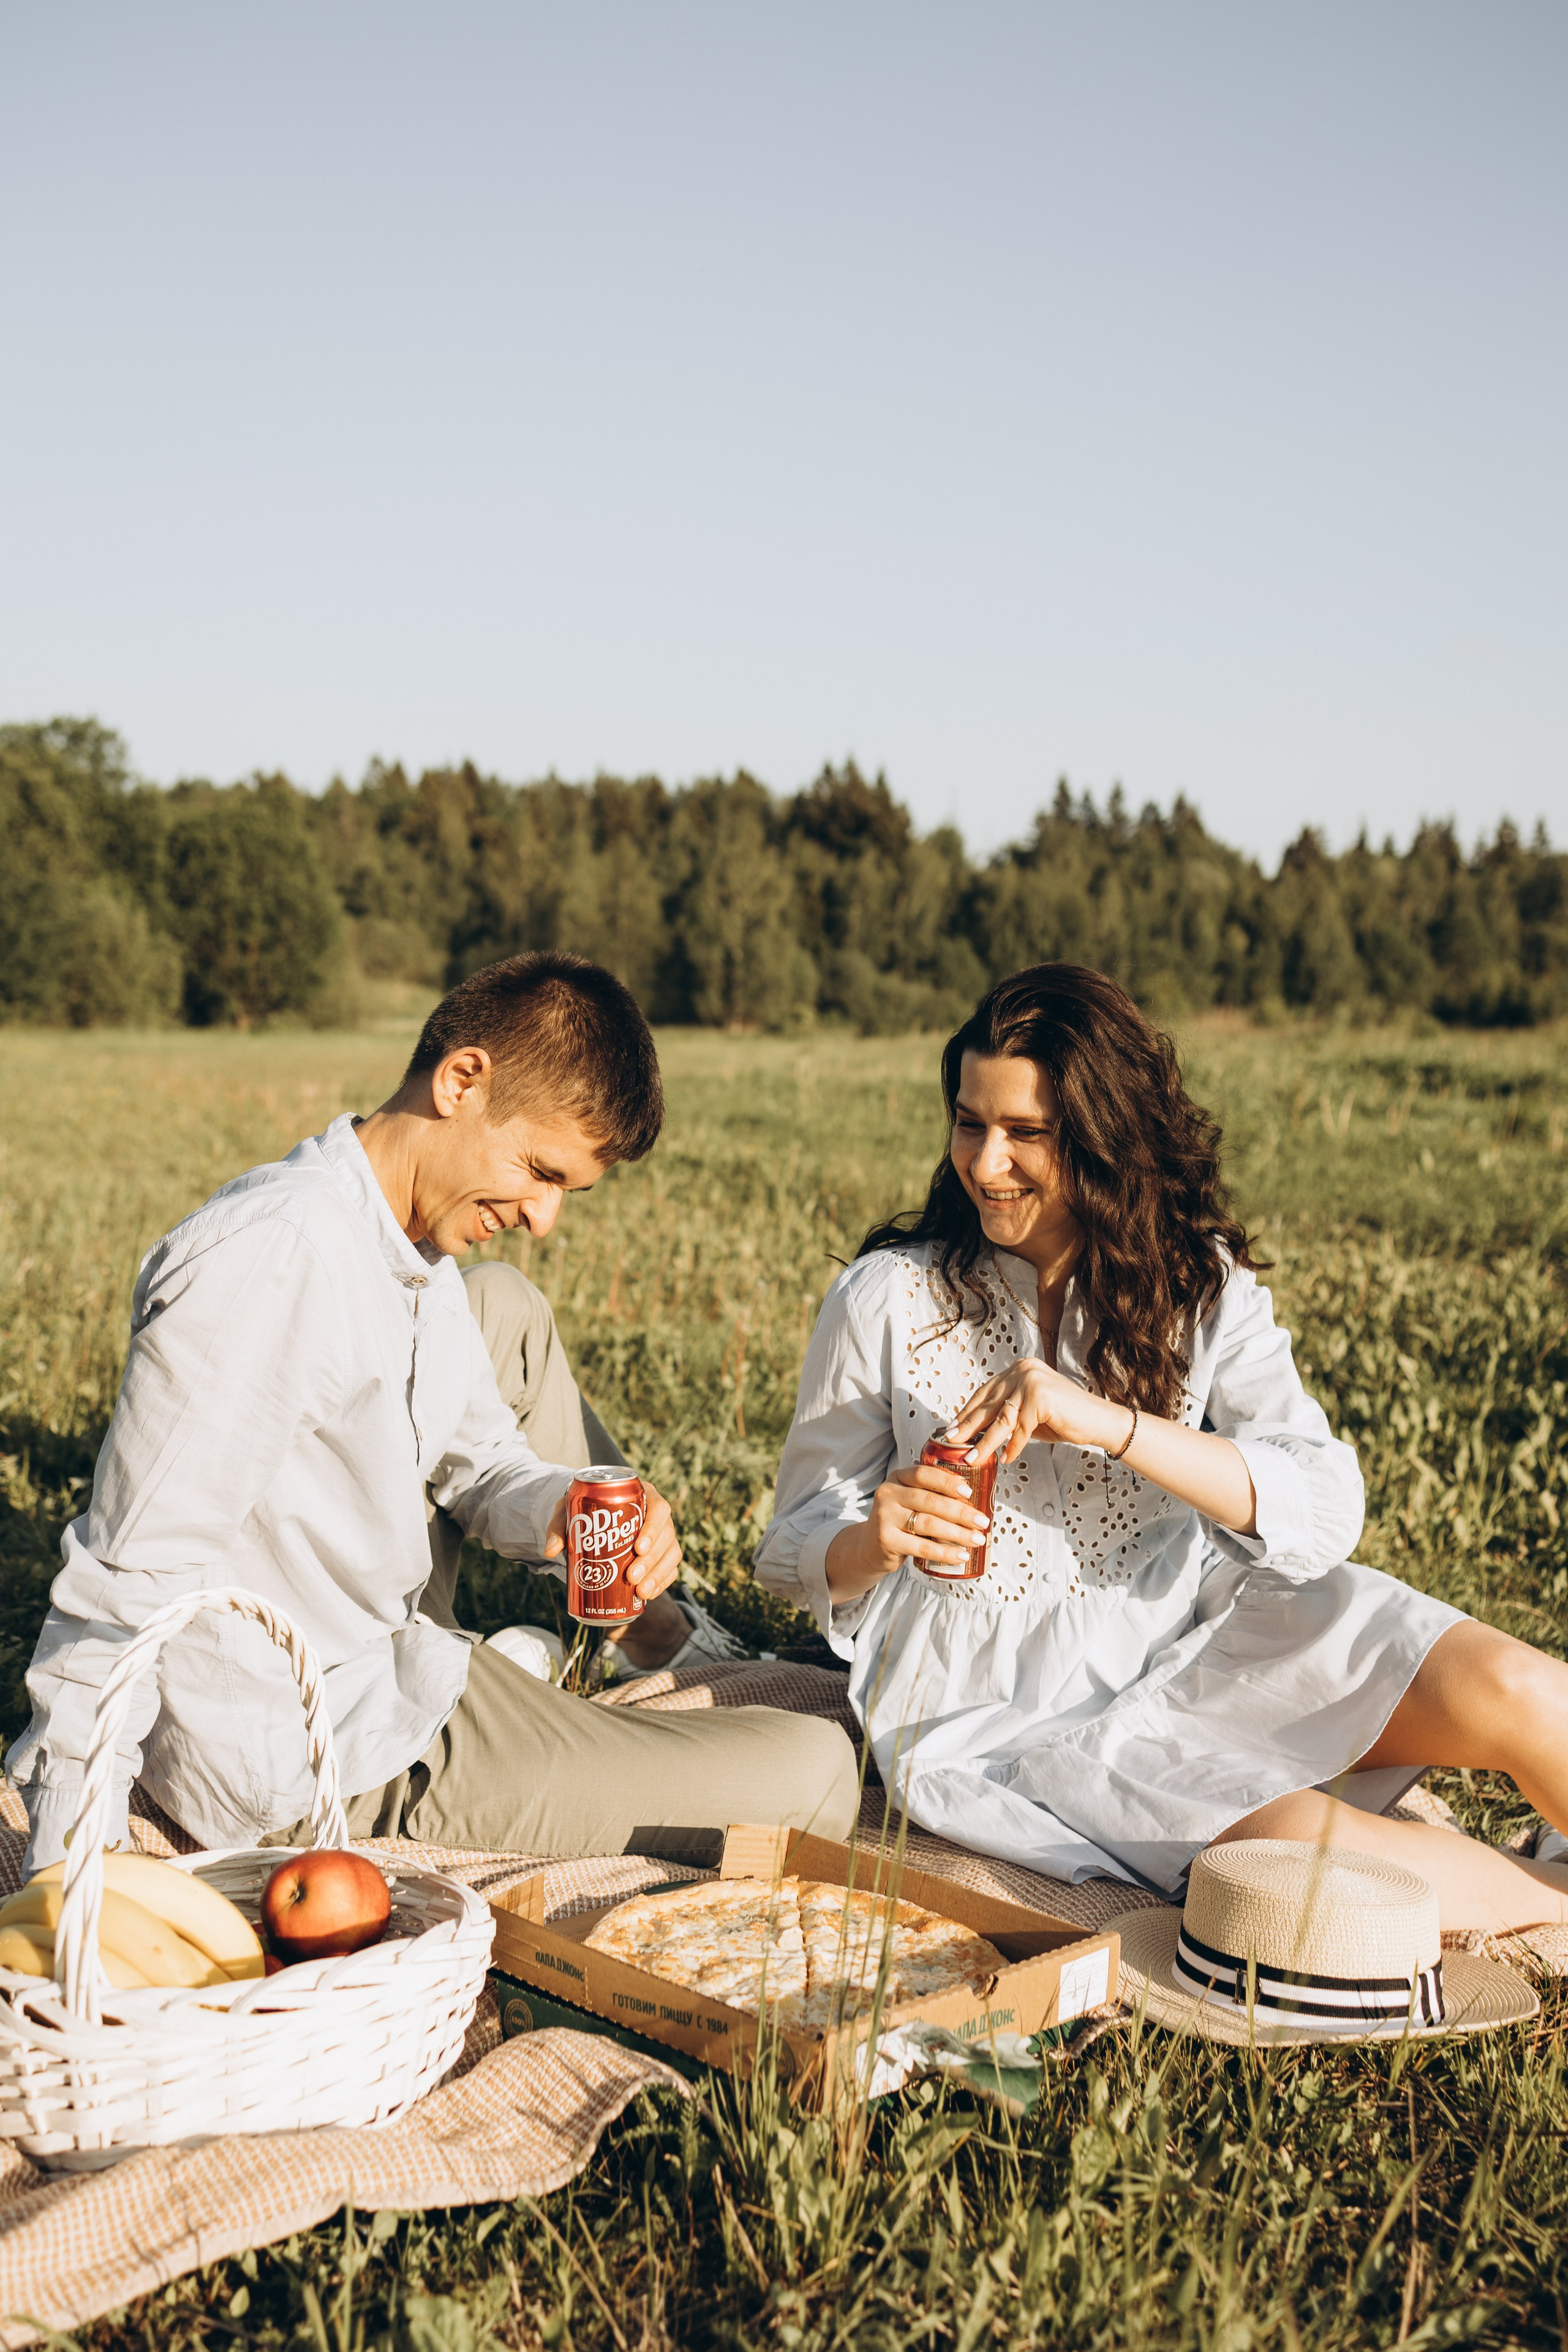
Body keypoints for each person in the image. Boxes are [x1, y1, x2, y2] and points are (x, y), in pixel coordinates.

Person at [754, 963, 1568, 1935]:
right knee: (1311, 1865)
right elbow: (790, 1540)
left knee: (1515, 1685)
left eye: (1025, 1134)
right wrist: (869, 1543)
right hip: (1016, 1715)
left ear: (1101, 1138)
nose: (984, 1163)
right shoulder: (888, 1298)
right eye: (970, 1123)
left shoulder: (1200, 1285)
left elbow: (1322, 1507)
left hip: (1201, 1627)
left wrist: (1112, 1424)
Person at [12, 952, 857, 1875]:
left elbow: (483, 1460)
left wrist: (569, 1513)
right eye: (540, 1172)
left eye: (564, 1191)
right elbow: (129, 1568)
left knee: (811, 1731)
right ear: (463, 1080)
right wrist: (67, 1858)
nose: (545, 1220)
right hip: (316, 1753)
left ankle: (547, 1678)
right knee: (819, 1771)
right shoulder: (276, 1256)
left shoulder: (406, 1249)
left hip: (399, 1668)